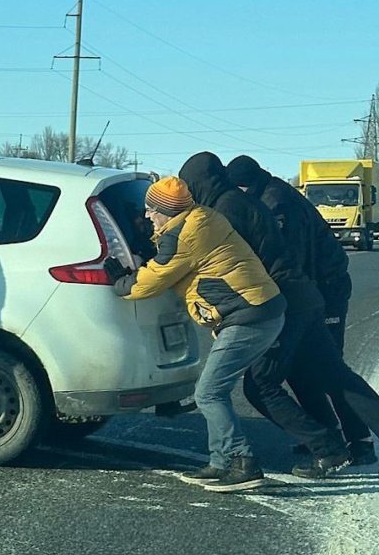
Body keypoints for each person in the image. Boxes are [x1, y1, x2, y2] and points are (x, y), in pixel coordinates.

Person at [181, 153, 379, 479]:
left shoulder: (230, 210)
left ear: (200, 183)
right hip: (306, 297)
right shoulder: (250, 200)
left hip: (290, 302)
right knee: (333, 375)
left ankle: (329, 449)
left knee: (261, 386)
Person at [106, 176, 285, 492]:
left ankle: (243, 463)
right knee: (215, 390)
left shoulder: (185, 234)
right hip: (256, 310)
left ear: (166, 210)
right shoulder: (199, 219)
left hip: (249, 317)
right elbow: (168, 254)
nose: (147, 215)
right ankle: (220, 462)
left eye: (151, 209)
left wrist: (121, 281)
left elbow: (154, 278)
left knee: (208, 392)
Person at [226, 155, 374, 465]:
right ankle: (326, 435)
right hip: (313, 291)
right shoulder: (269, 192)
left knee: (331, 370)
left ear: (243, 185)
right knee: (301, 367)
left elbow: (293, 259)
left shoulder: (277, 204)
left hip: (326, 288)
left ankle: (360, 442)